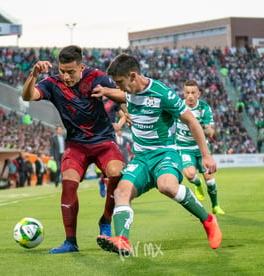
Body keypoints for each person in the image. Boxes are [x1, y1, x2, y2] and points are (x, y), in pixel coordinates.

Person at [95, 54, 222, 256]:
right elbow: (121, 95)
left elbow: (192, 121)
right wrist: (104, 91)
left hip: (165, 153)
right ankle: (123, 240)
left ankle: (207, 220)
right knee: (121, 193)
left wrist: (206, 155)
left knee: (167, 186)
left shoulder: (162, 94)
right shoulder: (129, 91)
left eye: (120, 82)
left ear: (133, 75)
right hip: (141, 158)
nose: (119, 87)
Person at [22, 45, 126, 254]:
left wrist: (112, 97)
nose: (66, 76)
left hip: (104, 141)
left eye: (70, 71)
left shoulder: (96, 77)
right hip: (76, 144)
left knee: (116, 174)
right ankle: (71, 242)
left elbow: (123, 93)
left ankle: (105, 220)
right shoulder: (53, 84)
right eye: (62, 70)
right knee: (68, 183)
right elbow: (27, 96)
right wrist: (33, 75)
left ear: (82, 67)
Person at [176, 80, 225, 215]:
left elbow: (210, 129)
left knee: (209, 180)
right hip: (184, 147)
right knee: (190, 175)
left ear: (198, 94)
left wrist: (209, 131)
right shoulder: (177, 106)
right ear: (184, 94)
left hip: (201, 148)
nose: (190, 96)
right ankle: (197, 184)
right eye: (187, 93)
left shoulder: (204, 108)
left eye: (193, 93)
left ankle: (215, 205)